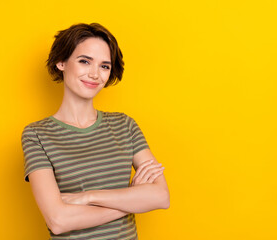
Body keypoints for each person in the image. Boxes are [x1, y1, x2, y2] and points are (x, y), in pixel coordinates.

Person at [21, 22, 170, 240]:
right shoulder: (37, 135)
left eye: (104, 66)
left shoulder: (124, 126)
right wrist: (132, 200)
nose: (95, 74)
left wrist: (86, 197)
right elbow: (58, 221)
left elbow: (161, 197)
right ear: (61, 62)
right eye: (84, 61)